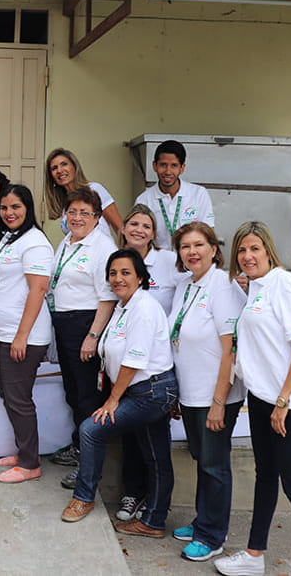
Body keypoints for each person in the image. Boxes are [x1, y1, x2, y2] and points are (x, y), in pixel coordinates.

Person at [214, 222, 291, 576]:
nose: (247, 256)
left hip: (286, 403)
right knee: (265, 476)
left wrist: (284, 400)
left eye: (254, 248)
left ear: (268, 250)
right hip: (262, 400)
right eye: (242, 250)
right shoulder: (255, 288)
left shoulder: (283, 283)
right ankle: (254, 555)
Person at [61, 248, 177, 534]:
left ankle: (83, 498)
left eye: (126, 272)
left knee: (91, 429)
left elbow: (133, 361)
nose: (118, 278)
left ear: (140, 277)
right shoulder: (124, 306)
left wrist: (112, 401)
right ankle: (154, 521)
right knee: (156, 454)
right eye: (113, 273)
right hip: (143, 390)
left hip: (151, 391)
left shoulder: (144, 308)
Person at [167, 222, 247, 562]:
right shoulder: (186, 283)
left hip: (216, 395)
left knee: (214, 464)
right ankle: (205, 520)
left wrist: (218, 402)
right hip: (192, 393)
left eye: (199, 245)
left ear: (214, 249)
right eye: (185, 247)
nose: (192, 252)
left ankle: (213, 535)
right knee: (203, 460)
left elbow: (231, 348)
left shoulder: (224, 286)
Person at [115, 203, 184, 522]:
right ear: (124, 228)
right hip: (127, 365)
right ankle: (134, 494)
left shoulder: (168, 260)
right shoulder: (118, 261)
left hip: (158, 363)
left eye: (146, 225)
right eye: (133, 224)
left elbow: (189, 288)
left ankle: (155, 508)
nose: (139, 230)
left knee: (154, 443)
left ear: (154, 233)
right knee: (131, 437)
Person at [46, 188, 118, 490]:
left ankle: (90, 467)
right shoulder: (67, 241)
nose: (77, 218)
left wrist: (92, 336)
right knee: (74, 393)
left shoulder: (102, 246)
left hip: (86, 324)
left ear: (97, 218)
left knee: (88, 397)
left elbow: (108, 297)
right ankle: (79, 448)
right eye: (72, 212)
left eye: (84, 213)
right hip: (64, 324)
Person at [0, 184, 53, 483]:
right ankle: (26, 451)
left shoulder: (35, 242)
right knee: (7, 394)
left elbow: (38, 289)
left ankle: (29, 464)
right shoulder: (6, 238)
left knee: (18, 398)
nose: (9, 213)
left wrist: (21, 336)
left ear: (28, 209)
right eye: (4, 208)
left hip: (22, 335)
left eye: (16, 207)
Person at [134, 140, 215, 250]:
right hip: (158, 263)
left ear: (182, 168)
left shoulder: (199, 194)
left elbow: (208, 234)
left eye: (174, 166)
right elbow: (139, 240)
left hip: (191, 260)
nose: (168, 171)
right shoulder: (144, 200)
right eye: (163, 165)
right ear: (154, 166)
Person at [43, 148, 123, 240]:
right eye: (54, 168)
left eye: (64, 164)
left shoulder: (94, 189)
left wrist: (128, 253)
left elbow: (119, 227)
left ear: (74, 166)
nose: (60, 170)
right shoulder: (65, 203)